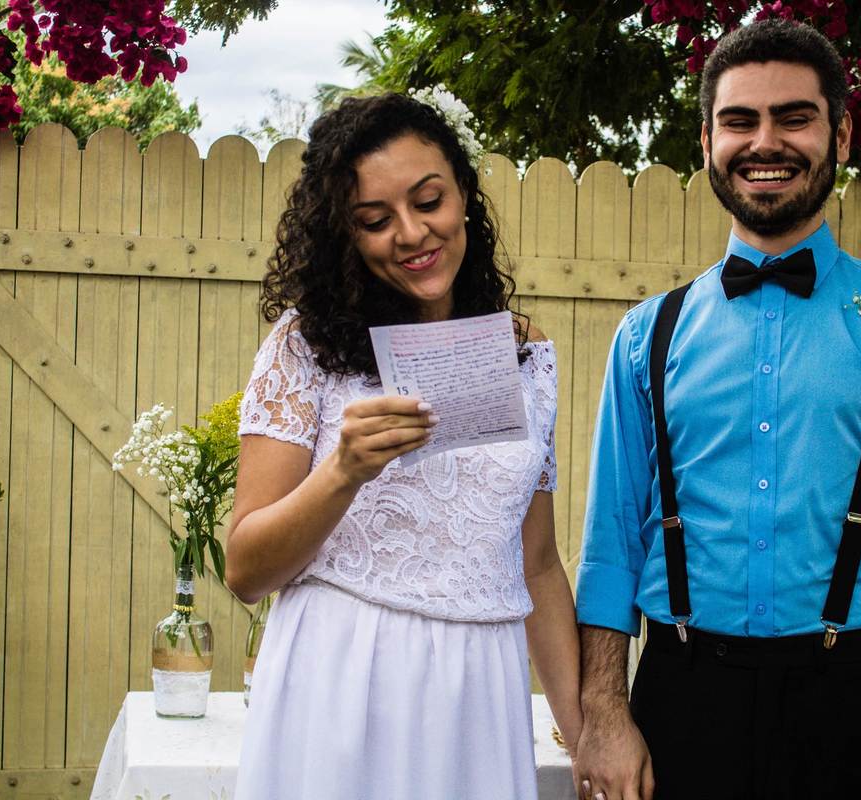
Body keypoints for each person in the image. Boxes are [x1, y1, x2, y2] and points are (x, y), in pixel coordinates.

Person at [572, 19, 861, 800]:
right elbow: (611, 545)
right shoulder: (648, 335)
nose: (764, 141)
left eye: (794, 117)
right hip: (684, 699)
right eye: (739, 120)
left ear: (840, 136)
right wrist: (604, 708)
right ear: (706, 140)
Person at [226, 91, 582, 800]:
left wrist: (587, 736)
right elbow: (245, 570)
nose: (414, 233)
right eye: (374, 220)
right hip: (341, 680)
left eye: (429, 201)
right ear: (345, 235)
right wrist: (343, 471)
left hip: (481, 688)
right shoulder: (307, 349)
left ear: (463, 195)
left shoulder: (523, 354)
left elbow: (536, 564)